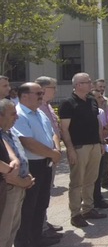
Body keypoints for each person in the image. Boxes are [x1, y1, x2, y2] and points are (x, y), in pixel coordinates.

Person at [12, 83, 62, 247]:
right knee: (28, 207)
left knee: (41, 203)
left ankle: (37, 237)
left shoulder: (39, 112)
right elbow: (27, 141)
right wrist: (52, 153)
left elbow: (53, 132)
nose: (42, 95)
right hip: (32, 166)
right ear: (24, 95)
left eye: (42, 92)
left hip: (46, 162)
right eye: (38, 93)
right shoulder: (19, 114)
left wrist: (56, 150)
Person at [59, 73, 107, 228]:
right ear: (78, 85)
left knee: (91, 179)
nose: (91, 84)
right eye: (88, 82)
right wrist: (70, 149)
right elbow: (64, 129)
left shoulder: (92, 100)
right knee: (77, 182)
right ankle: (75, 214)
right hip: (79, 147)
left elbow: (97, 123)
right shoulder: (68, 103)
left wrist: (101, 142)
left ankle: (88, 208)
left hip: (94, 145)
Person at [0, 99, 36, 247]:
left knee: (12, 230)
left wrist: (24, 175)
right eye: (13, 114)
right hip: (8, 188)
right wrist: (21, 181)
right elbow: (7, 171)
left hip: (18, 186)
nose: (17, 117)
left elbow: (14, 158)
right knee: (3, 231)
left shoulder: (8, 132)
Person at [34, 76, 63, 237]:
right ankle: (40, 226)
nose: (55, 90)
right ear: (43, 89)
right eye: (53, 87)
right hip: (41, 157)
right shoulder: (36, 109)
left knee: (46, 192)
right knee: (39, 194)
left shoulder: (47, 106)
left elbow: (53, 132)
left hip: (53, 155)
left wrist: (57, 150)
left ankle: (43, 222)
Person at [93, 79, 108, 189]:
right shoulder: (92, 101)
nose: (102, 89)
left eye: (103, 87)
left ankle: (105, 179)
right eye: (100, 86)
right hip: (97, 134)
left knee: (106, 159)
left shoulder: (106, 100)